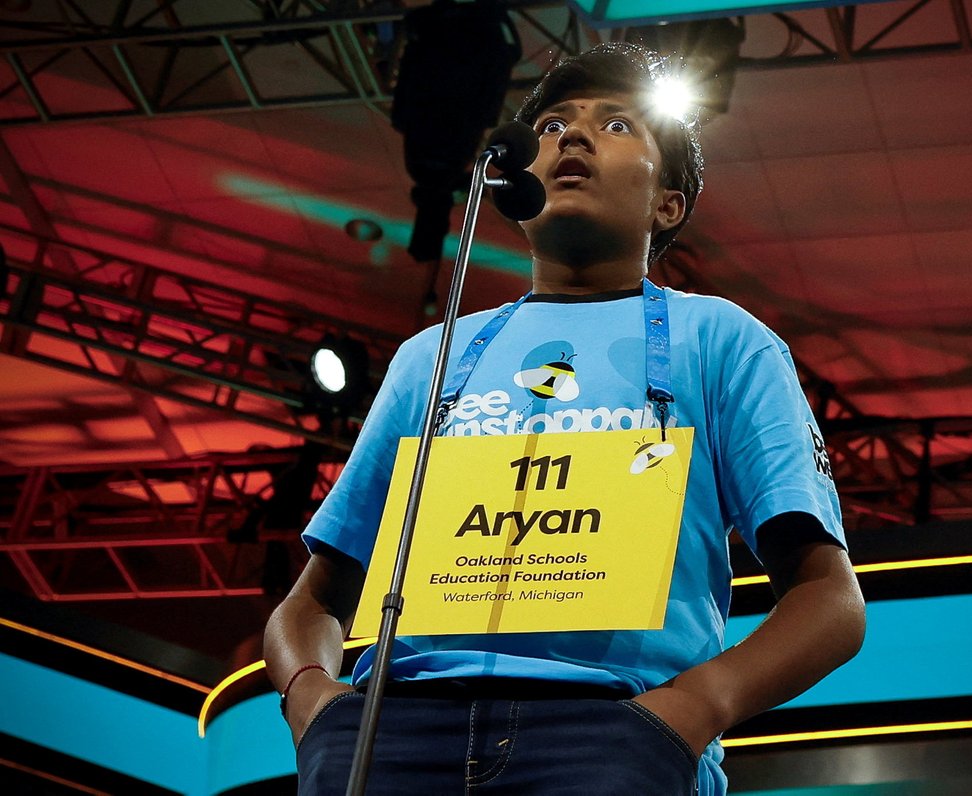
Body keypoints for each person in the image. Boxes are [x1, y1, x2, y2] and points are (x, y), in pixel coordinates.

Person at [264, 42, 866, 795]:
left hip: (611, 733)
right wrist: (313, 703)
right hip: (392, 737)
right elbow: (316, 597)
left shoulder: (722, 339)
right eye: (551, 127)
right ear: (518, 184)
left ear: (667, 203)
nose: (572, 137)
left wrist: (692, 709)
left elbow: (830, 603)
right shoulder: (433, 354)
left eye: (616, 125)